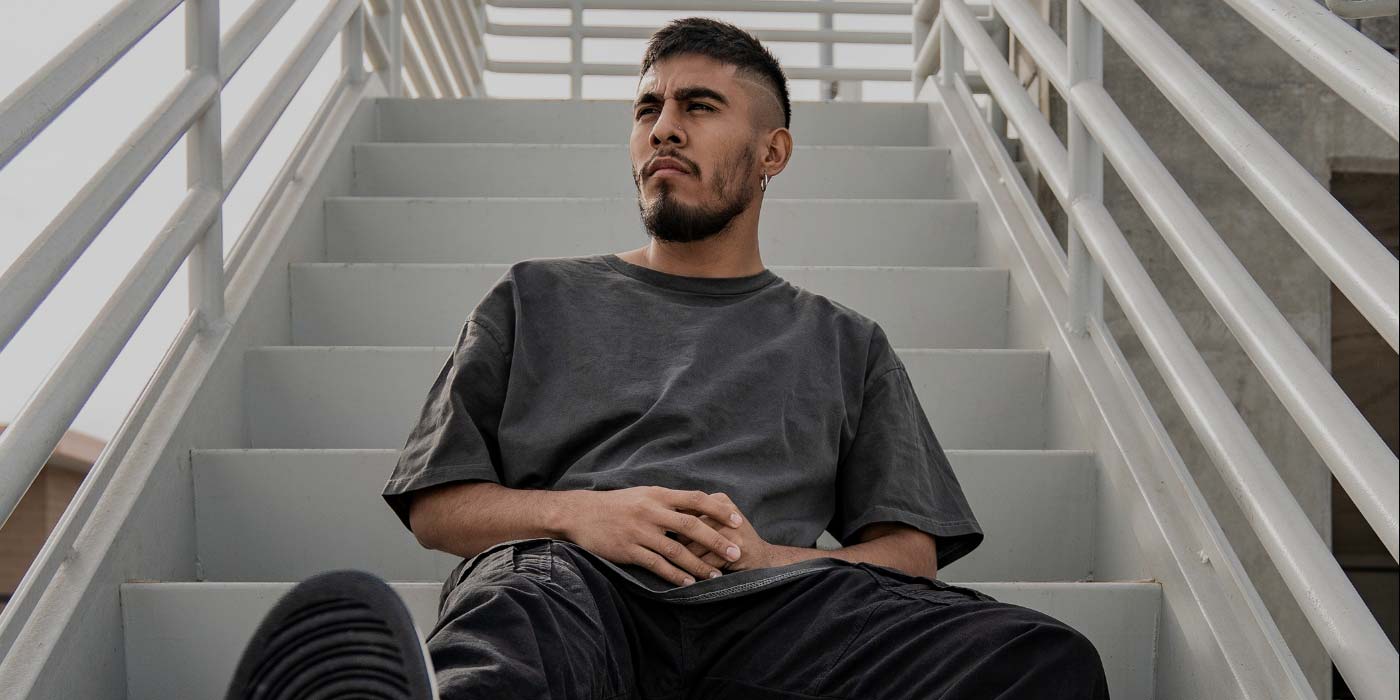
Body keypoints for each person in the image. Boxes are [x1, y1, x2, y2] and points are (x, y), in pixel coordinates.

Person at [226, 16, 1110, 700]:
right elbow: (436, 508)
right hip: (577, 588)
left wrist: (768, 561)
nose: (664, 130)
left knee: (1041, 660)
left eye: (699, 107)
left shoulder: (846, 342)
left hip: (773, 614)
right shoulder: (533, 297)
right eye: (648, 109)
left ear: (772, 152)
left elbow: (909, 554)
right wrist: (583, 517)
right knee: (516, 635)